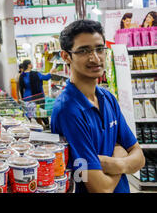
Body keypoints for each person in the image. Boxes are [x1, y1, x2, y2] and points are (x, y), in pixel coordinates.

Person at [51, 20, 145, 193]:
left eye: (100, 49)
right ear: (66, 56)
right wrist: (122, 156)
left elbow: (139, 157)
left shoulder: (107, 98)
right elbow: (100, 188)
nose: (95, 58)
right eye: (83, 51)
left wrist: (114, 163)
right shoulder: (68, 110)